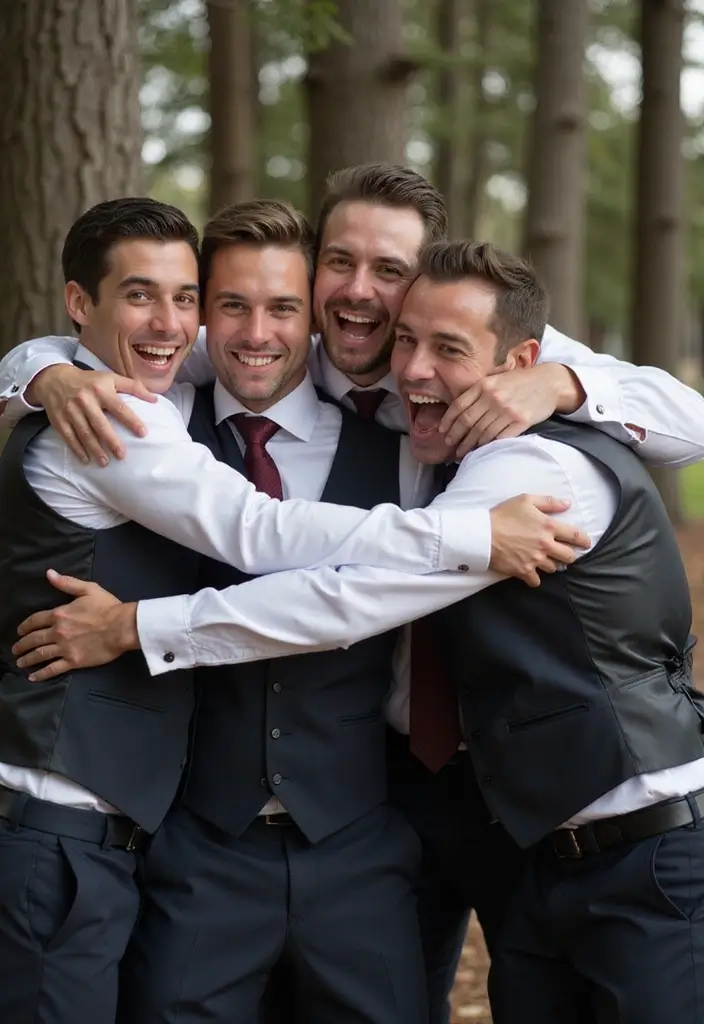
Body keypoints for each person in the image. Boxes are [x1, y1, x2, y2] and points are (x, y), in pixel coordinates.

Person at [5, 165, 704, 1023]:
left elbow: (688, 420)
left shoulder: (501, 382)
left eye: (389, 271)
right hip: (258, 819)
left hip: (473, 803)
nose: (362, 293)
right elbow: (118, 344)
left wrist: (565, 383)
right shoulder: (202, 376)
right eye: (340, 260)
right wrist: (40, 371)